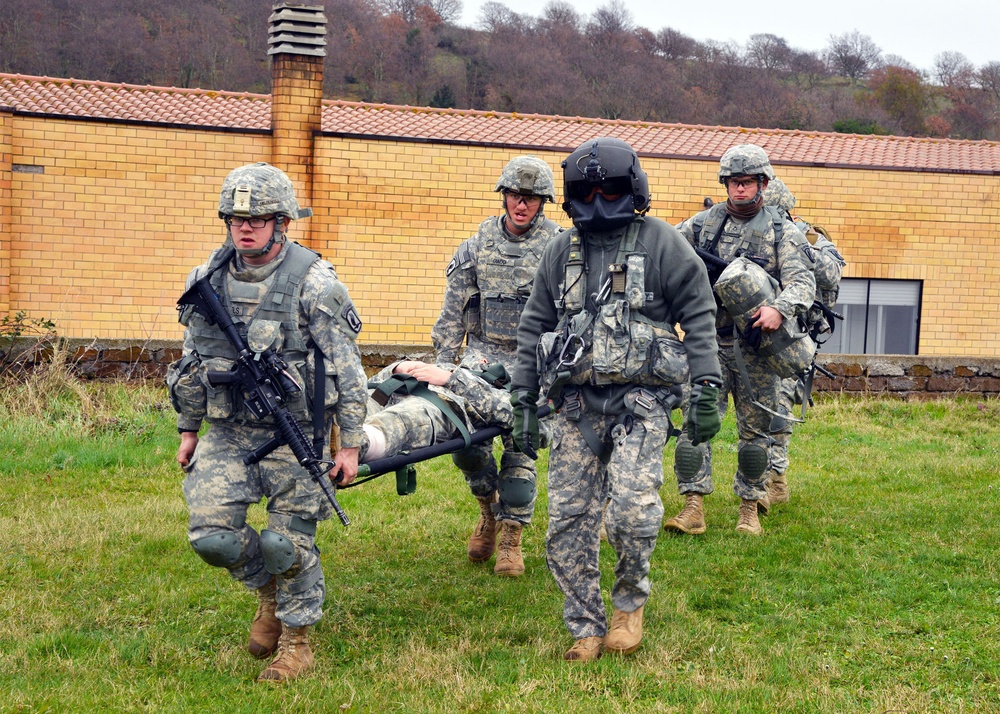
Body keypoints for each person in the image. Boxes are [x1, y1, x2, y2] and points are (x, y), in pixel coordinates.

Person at [509, 137, 723, 661]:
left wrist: (707, 388)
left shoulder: (663, 243)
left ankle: (629, 605)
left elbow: (697, 315)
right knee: (568, 523)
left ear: (632, 189)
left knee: (630, 512)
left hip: (641, 404)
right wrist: (521, 399)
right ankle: (584, 623)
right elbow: (534, 324)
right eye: (588, 190)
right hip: (576, 406)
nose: (599, 199)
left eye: (609, 189)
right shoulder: (561, 251)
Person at [167, 162, 368, 683]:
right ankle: (267, 592)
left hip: (293, 432)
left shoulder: (316, 283)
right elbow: (192, 361)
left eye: (257, 218)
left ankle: (297, 639)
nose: (244, 227)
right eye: (235, 218)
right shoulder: (205, 281)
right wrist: (189, 430)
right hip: (229, 430)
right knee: (211, 537)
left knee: (286, 544)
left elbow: (350, 373)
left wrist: (349, 445)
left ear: (281, 222)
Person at [663, 145, 816, 537]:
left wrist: (779, 309)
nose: (740, 189)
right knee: (696, 424)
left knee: (755, 433)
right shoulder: (702, 224)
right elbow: (667, 253)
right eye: (734, 182)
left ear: (762, 184)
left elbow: (803, 282)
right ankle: (693, 506)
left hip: (758, 350)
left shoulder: (782, 230)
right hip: (709, 343)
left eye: (747, 182)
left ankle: (749, 507)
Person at [431, 156, 563, 577]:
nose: (520, 205)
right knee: (468, 447)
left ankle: (511, 537)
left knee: (521, 450)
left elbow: (571, 317)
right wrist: (442, 367)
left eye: (530, 198)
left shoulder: (560, 248)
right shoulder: (476, 246)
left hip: (533, 365)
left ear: (543, 202)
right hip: (482, 360)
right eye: (514, 196)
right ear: (504, 196)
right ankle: (488, 512)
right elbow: (453, 313)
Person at [758, 177, 846, 508]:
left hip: (792, 340)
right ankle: (752, 482)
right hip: (755, 336)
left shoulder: (809, 238)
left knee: (778, 410)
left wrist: (797, 246)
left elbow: (832, 275)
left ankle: (775, 483)